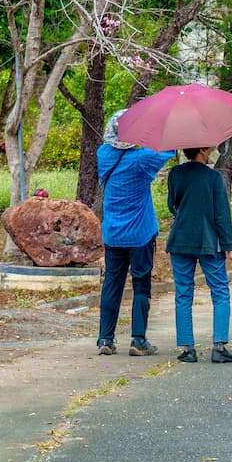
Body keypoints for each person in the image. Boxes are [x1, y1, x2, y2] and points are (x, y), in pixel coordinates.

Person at [95, 110, 171, 356]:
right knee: (141, 285)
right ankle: (138, 340)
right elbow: (168, 149)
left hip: (113, 233)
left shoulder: (103, 155)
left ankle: (106, 339)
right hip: (140, 234)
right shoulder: (142, 159)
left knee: (111, 284)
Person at [167, 146, 232, 363]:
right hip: (209, 242)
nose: (212, 150)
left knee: (183, 293)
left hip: (180, 240)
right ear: (202, 150)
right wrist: (230, 248)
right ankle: (219, 346)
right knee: (220, 292)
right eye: (208, 148)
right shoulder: (214, 178)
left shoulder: (175, 174)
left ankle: (188, 348)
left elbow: (172, 206)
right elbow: (222, 216)